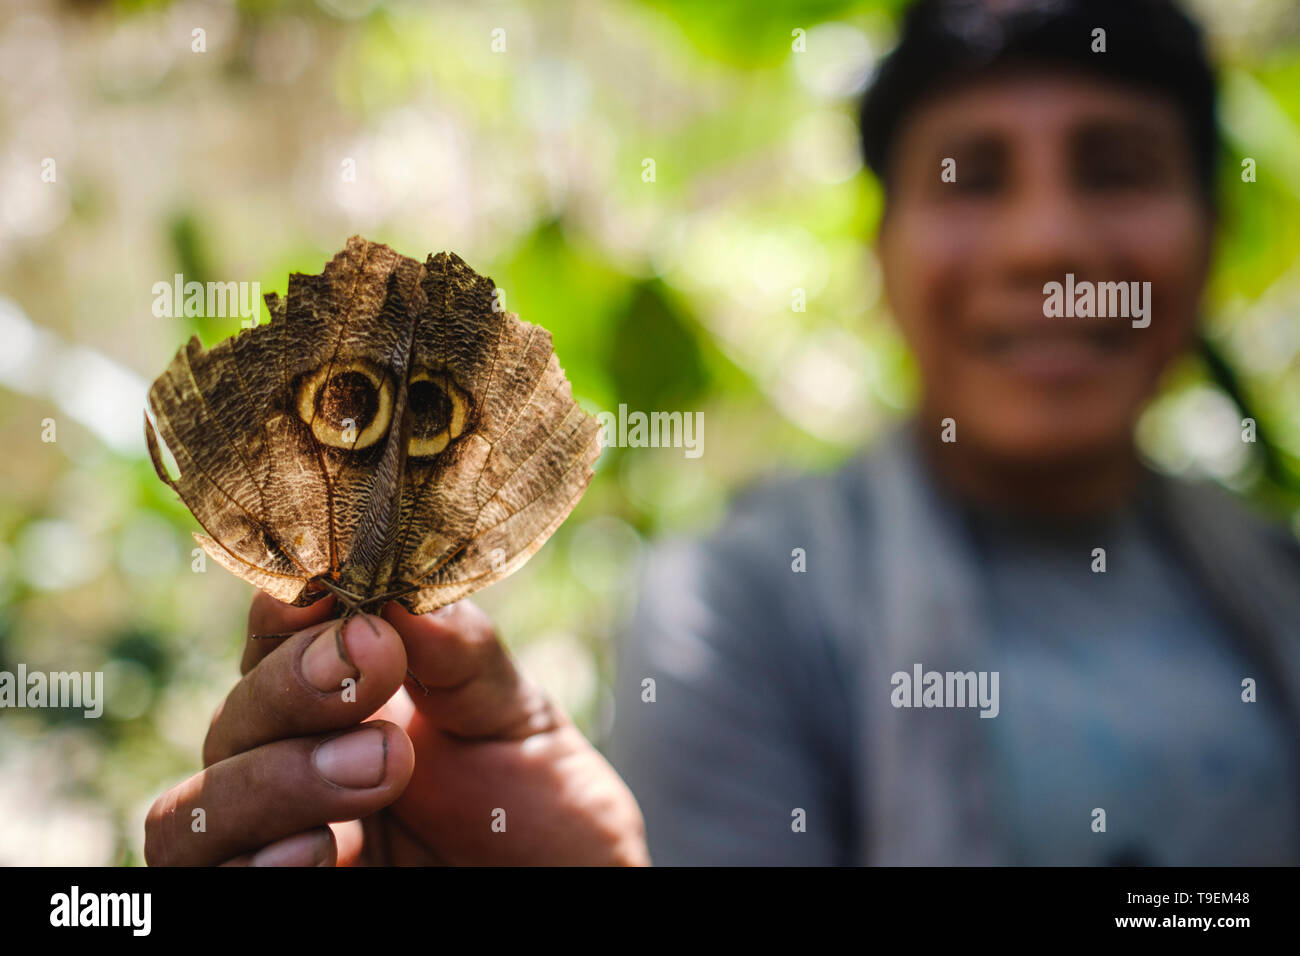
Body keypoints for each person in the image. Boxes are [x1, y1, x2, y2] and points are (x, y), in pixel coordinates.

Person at [145, 0, 1300, 866]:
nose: (1046, 242)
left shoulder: (1274, 583)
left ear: (1212, 237)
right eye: (971, 176)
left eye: (1117, 170)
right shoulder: (739, 597)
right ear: (881, 252)